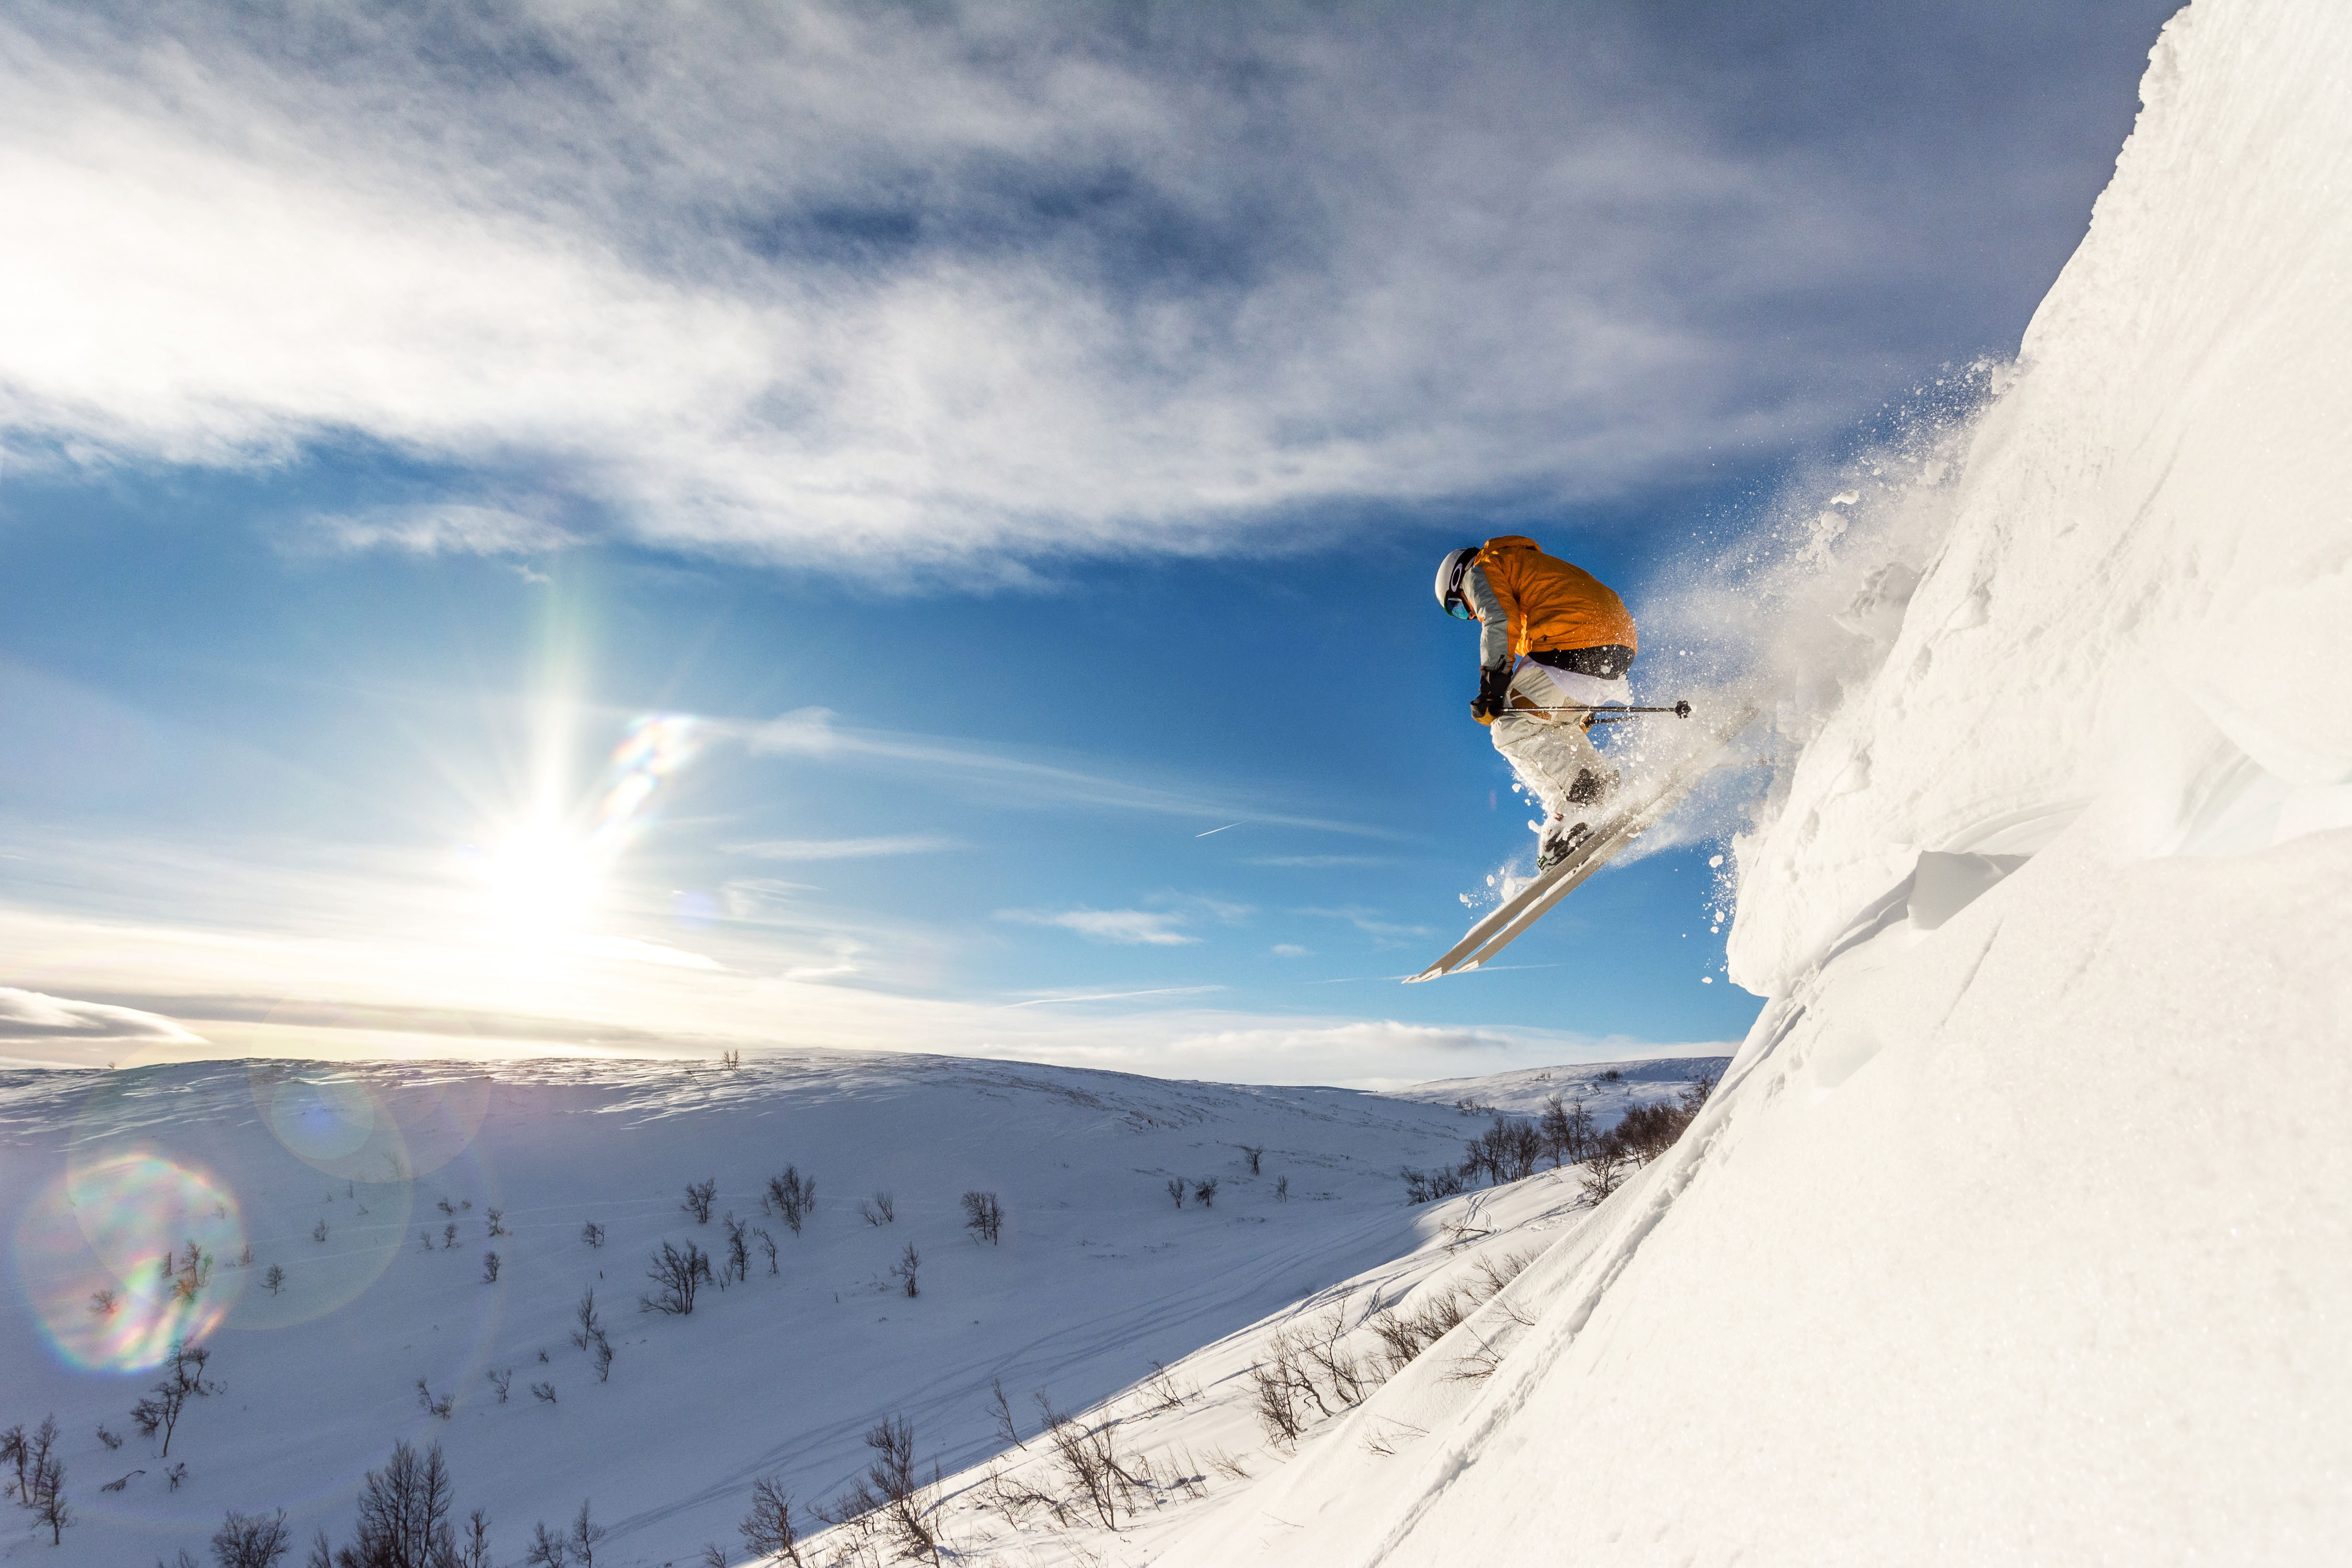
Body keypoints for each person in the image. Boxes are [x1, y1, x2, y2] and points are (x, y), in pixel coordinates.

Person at [1435, 535, 1638, 868]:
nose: (1468, 616)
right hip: (1617, 642)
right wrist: (1577, 708)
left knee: (1508, 728)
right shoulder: (1520, 568)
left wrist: (1491, 689)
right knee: (1554, 726)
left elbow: (1499, 621)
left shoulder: (1482, 568)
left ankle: (1577, 804)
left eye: (1458, 608)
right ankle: (1600, 788)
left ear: (1456, 580)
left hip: (1576, 639)